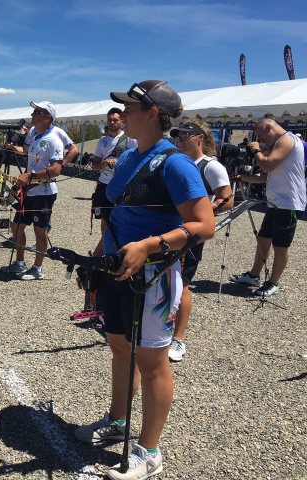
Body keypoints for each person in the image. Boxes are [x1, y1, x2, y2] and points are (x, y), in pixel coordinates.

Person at [73, 80, 214, 480]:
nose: (121, 114)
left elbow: (205, 225)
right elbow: (117, 213)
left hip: (152, 277)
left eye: (130, 108)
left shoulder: (175, 163)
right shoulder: (131, 155)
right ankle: (118, 420)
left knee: (152, 363)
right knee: (120, 348)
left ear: (152, 114)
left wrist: (151, 244)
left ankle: (150, 451)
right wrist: (98, 257)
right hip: (117, 267)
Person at [168, 121, 234, 362]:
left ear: (200, 138)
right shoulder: (177, 161)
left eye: (186, 135)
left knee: (182, 282)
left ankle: (179, 339)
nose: (180, 139)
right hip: (170, 228)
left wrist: (205, 213)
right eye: (178, 135)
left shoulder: (210, 166)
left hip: (191, 231)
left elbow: (227, 199)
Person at [229, 118, 306, 296]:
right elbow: (266, 176)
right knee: (264, 239)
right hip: (276, 202)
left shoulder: (287, 140)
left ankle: (273, 282)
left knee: (281, 245)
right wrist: (242, 177)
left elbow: (267, 164)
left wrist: (256, 149)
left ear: (270, 127)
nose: (261, 140)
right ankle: (254, 275)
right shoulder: (279, 143)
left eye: (261, 135)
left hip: (289, 203)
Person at [0, 101, 66, 280]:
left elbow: (56, 170)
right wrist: (14, 148)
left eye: (37, 112)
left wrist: (30, 176)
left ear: (47, 117)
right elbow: (26, 151)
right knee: (17, 226)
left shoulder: (54, 140)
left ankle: (38, 269)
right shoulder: (36, 135)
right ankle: (20, 263)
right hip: (29, 190)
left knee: (40, 231)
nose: (32, 115)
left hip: (43, 192)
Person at [90, 107, 138, 245]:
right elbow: (95, 166)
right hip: (104, 184)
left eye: (115, 120)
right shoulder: (102, 142)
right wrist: (105, 163)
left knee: (122, 218)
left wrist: (121, 164)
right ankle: (106, 247)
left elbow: (137, 160)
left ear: (121, 121)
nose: (112, 123)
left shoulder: (130, 139)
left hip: (122, 186)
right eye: (109, 120)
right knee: (105, 219)